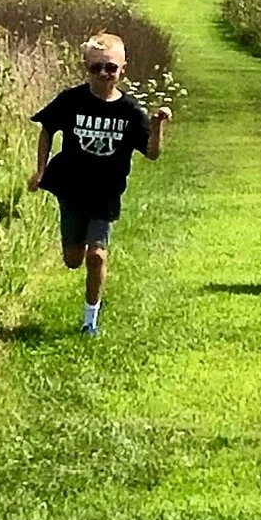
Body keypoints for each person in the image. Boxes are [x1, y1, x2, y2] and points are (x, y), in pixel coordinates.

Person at [29, 33, 170, 335]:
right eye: (96, 68)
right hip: (70, 187)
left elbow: (152, 153)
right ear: (86, 68)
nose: (104, 74)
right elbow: (46, 129)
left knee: (96, 256)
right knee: (72, 260)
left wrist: (157, 126)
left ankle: (89, 321)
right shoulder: (71, 100)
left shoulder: (129, 112)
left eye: (110, 68)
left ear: (123, 70)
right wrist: (40, 171)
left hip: (106, 192)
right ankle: (83, 274)